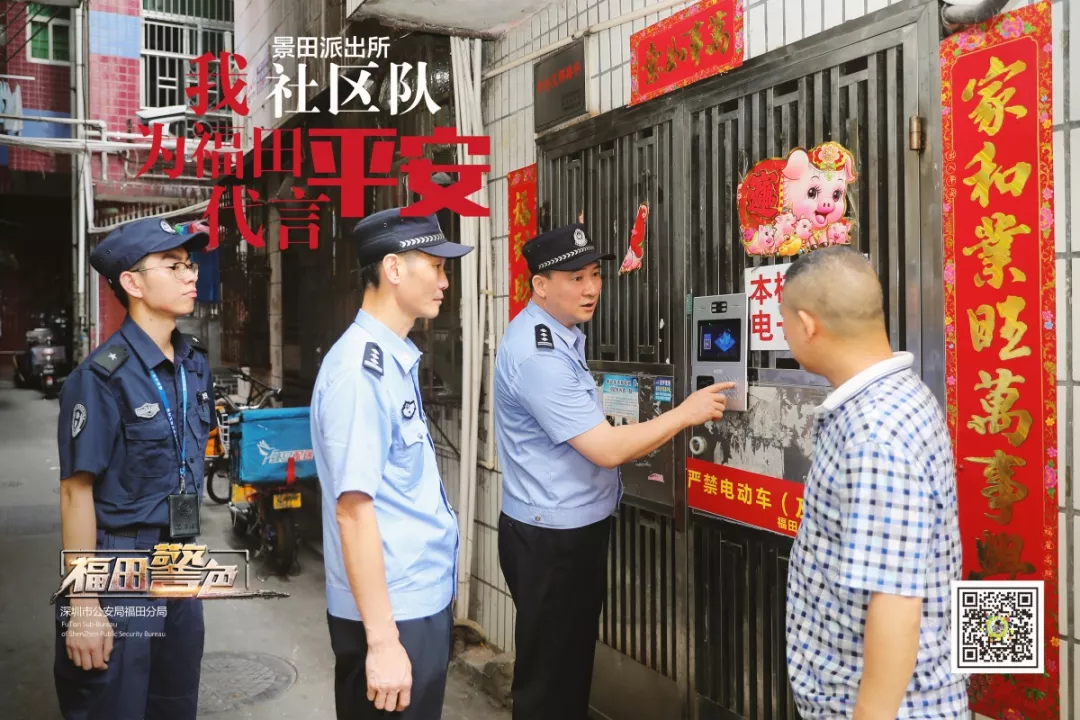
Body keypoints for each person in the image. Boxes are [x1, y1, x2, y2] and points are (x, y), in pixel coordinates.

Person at [493, 223, 735, 719]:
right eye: (575, 277)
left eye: (595, 274)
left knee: (565, 667)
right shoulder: (539, 355)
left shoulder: (559, 335)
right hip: (552, 540)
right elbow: (604, 449)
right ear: (540, 285)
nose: (591, 288)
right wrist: (684, 414)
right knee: (550, 681)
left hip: (563, 530)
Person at [780, 246, 968, 719]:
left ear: (806, 324)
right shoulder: (895, 397)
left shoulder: (875, 433)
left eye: (783, 321)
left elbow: (896, 606)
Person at [310, 208, 472, 719]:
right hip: (391, 614)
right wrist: (381, 642)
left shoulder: (391, 357)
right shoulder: (360, 373)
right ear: (394, 268)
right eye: (436, 266)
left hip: (411, 603)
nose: (445, 282)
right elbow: (353, 510)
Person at [54, 217, 215, 720]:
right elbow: (76, 493)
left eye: (190, 264)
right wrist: (84, 605)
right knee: (114, 705)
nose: (190, 275)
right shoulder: (100, 377)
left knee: (174, 703)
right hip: (119, 563)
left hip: (179, 559)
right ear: (133, 283)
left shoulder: (194, 365)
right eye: (173, 266)